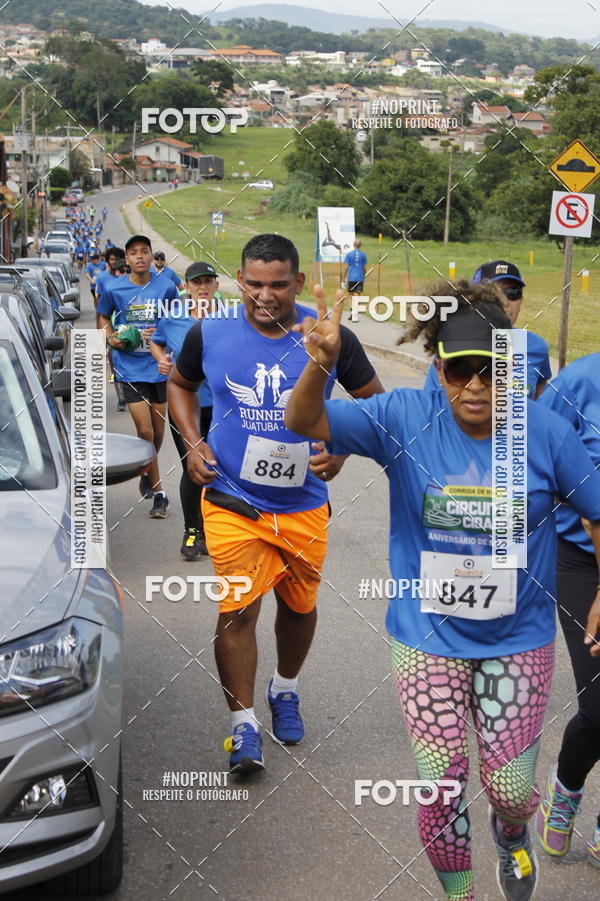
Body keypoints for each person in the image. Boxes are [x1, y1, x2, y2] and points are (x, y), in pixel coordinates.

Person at [283, 281, 600, 901]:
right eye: (460, 372)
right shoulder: (404, 416)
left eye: (489, 371)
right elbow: (303, 421)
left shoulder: (545, 431)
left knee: (510, 790)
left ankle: (512, 833)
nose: (475, 387)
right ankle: (461, 895)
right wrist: (320, 364)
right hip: (426, 641)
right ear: (438, 367)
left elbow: (597, 511)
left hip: (519, 639)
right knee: (440, 784)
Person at [167, 234, 384, 774]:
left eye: (279, 285)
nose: (266, 296)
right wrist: (194, 442)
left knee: (298, 607)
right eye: (254, 284)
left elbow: (380, 406)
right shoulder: (209, 332)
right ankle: (243, 728)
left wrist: (342, 447)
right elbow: (179, 384)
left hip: (304, 503)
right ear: (239, 279)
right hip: (232, 498)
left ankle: (284, 688)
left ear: (299, 283)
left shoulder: (330, 337)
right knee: (238, 608)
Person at [535, 352, 600, 867]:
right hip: (581, 560)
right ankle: (567, 787)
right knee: (599, 705)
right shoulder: (579, 381)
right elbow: (534, 456)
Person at [97, 234, 178, 518]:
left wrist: (159, 334)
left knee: (157, 432)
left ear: (151, 255)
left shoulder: (166, 287)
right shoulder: (114, 288)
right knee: (144, 431)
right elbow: (104, 317)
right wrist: (111, 339)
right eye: (134, 252)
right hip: (129, 367)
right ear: (127, 259)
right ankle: (160, 494)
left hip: (158, 367)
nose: (140, 256)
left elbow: (175, 319)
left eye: (145, 251)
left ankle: (146, 468)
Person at [150, 261, 219, 559]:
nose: (202, 286)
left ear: (216, 285)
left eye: (207, 281)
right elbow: (156, 341)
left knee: (219, 469)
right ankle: (193, 532)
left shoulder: (231, 318)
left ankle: (218, 531)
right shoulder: (174, 317)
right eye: (196, 282)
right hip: (185, 407)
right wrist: (162, 361)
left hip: (223, 408)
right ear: (187, 287)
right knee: (192, 468)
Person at [421, 261, 551, 399]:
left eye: (513, 292)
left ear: (522, 300)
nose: (505, 301)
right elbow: (431, 407)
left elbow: (538, 403)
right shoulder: (453, 345)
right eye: (493, 292)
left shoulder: (537, 347)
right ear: (475, 298)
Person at [343, 238, 368, 308]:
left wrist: (344, 277)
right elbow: (364, 267)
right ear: (360, 245)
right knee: (358, 294)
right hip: (359, 277)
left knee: (351, 294)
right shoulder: (363, 255)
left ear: (353, 245)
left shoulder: (349, 254)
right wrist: (364, 274)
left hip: (351, 277)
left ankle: (351, 308)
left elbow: (346, 267)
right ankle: (356, 308)